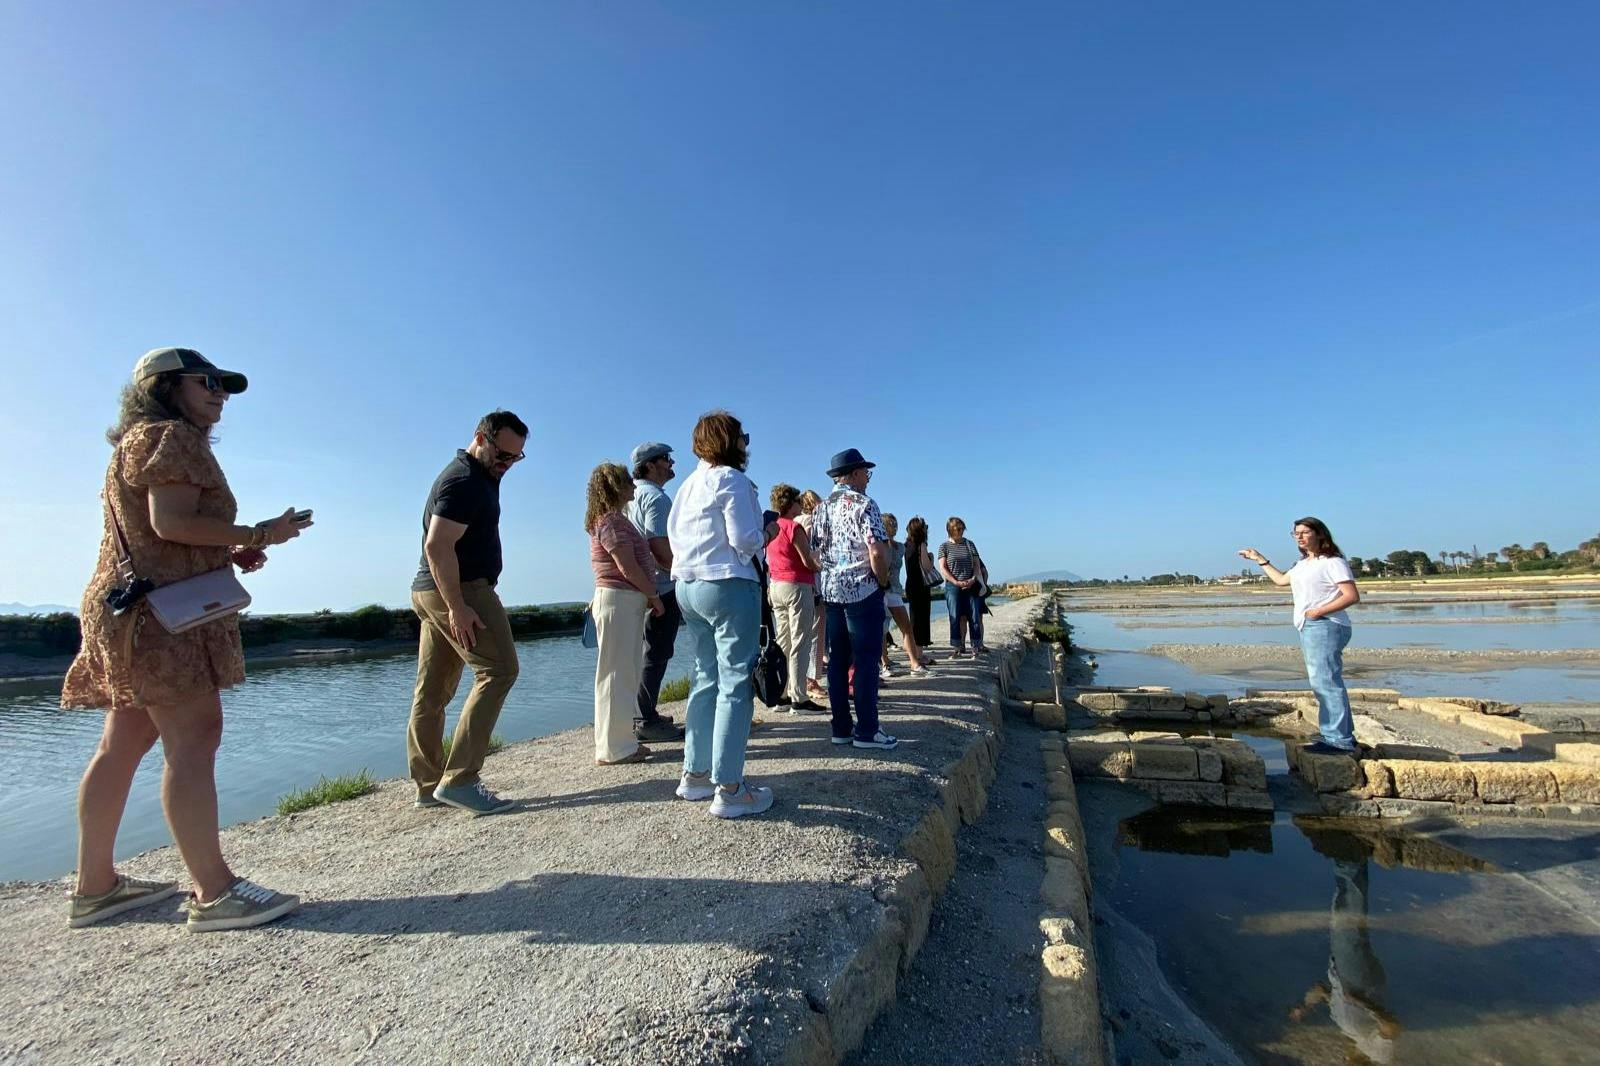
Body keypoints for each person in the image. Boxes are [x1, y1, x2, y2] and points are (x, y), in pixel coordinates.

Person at [62, 347, 309, 931]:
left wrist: (225, 547)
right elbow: (169, 523)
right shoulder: (171, 437)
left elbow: (163, 534)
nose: (220, 391)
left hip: (130, 607)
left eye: (224, 384)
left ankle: (96, 889)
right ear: (164, 386)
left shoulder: (140, 440)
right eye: (208, 381)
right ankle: (215, 892)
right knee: (196, 735)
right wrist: (260, 533)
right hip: (160, 616)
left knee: (123, 742)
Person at [407, 410, 528, 815]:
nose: (506, 464)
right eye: (501, 454)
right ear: (480, 437)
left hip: (430, 591)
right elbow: (437, 547)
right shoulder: (464, 480)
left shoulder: (477, 477)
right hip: (460, 590)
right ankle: (460, 779)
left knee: (433, 692)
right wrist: (458, 607)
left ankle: (428, 785)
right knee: (499, 670)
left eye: (515, 459)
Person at [667, 411, 775, 818]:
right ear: (731, 442)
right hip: (728, 583)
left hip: (688, 586)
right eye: (743, 437)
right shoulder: (732, 480)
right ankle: (729, 788)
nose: (747, 444)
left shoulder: (687, 486)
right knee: (735, 682)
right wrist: (769, 532)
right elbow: (744, 540)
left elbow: (676, 538)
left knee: (704, 678)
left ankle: (695, 774)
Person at [1238, 517, 1362, 753]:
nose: (1300, 536)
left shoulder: (1333, 562)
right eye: (1296, 533)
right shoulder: (1303, 564)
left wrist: (1318, 611)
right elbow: (1281, 580)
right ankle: (1340, 734)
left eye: (1305, 532)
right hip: (1311, 625)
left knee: (1325, 682)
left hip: (1326, 624)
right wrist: (1259, 559)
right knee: (1324, 681)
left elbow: (1351, 595)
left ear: (1320, 534)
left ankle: (1339, 740)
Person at [811, 448, 899, 750]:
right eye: (866, 474)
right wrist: (883, 580)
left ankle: (841, 728)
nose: (868, 479)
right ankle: (867, 730)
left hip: (833, 592)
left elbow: (814, 553)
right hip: (863, 589)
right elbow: (876, 550)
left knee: (837, 661)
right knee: (866, 660)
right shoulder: (864, 504)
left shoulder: (819, 509)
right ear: (855, 474)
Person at [587, 462, 665, 765]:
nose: (633, 485)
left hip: (621, 600)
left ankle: (617, 743)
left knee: (618, 673)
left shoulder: (613, 519)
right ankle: (616, 748)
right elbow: (627, 566)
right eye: (627, 481)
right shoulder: (611, 521)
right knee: (617, 673)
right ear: (615, 486)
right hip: (619, 599)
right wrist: (653, 595)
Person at [626, 441, 686, 742]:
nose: (671, 464)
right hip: (661, 586)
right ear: (651, 464)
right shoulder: (657, 499)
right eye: (666, 459)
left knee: (645, 652)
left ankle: (642, 711)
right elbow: (658, 545)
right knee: (658, 652)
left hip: (638, 587)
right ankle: (645, 719)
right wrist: (684, 571)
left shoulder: (630, 495)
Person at [767, 483, 825, 711]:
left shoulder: (772, 527)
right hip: (797, 585)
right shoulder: (793, 527)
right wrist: (820, 566)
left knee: (784, 641)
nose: (801, 504)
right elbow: (806, 560)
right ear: (791, 504)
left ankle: (780, 694)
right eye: (798, 501)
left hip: (776, 585)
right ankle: (798, 697)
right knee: (800, 641)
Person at [879, 513, 934, 675]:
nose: (894, 527)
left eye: (895, 524)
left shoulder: (900, 547)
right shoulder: (880, 545)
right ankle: (885, 663)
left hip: (895, 590)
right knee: (882, 629)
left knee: (907, 627)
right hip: (881, 590)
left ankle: (914, 663)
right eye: (890, 524)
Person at [937, 516, 988, 657]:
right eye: (957, 528)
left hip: (971, 584)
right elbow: (943, 568)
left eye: (962, 528)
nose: (960, 531)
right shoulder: (944, 547)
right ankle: (957, 648)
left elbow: (977, 565)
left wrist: (973, 579)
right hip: (953, 587)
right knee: (955, 617)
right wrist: (955, 582)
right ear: (950, 529)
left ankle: (976, 647)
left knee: (974, 616)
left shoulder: (969, 544)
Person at [796, 489, 828, 702]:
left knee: (798, 632)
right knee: (817, 631)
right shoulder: (810, 522)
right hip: (813, 579)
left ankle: (797, 680)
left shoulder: (793, 521)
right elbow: (812, 551)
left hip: (796, 581)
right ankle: (812, 680)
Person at [901, 516, 937, 654]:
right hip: (921, 586)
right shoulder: (921, 544)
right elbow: (927, 567)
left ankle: (915, 652)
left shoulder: (906, 545)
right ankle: (919, 654)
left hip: (910, 584)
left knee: (913, 618)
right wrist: (931, 557)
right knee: (921, 621)